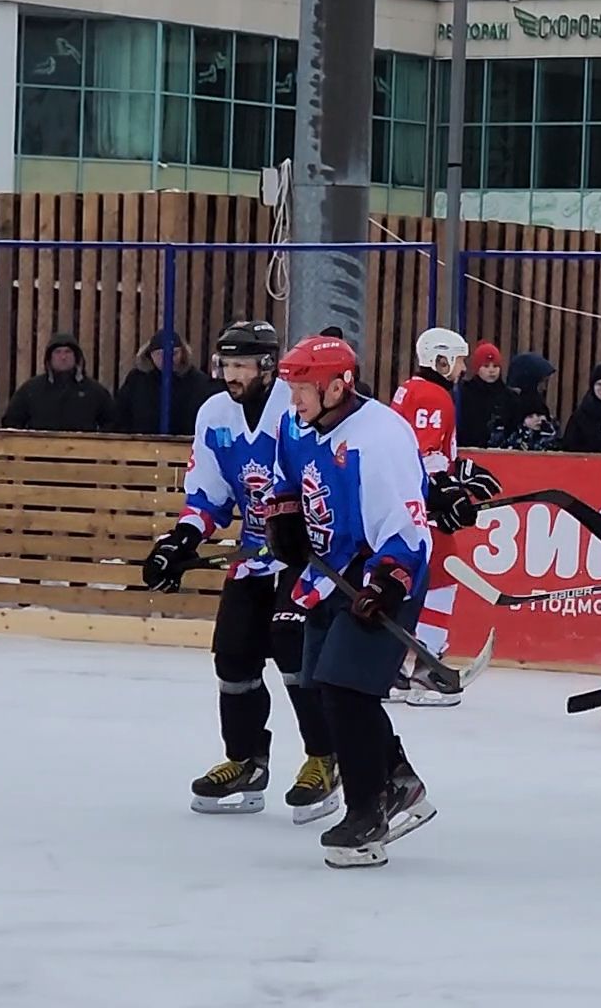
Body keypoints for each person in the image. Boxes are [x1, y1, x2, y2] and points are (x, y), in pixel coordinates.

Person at [144, 321, 341, 822]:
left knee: (292, 650)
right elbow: (209, 495)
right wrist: (181, 540)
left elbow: (316, 478)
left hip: (303, 554)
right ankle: (246, 759)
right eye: (226, 364)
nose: (232, 375)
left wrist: (300, 528)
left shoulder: (294, 409)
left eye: (242, 365)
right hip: (253, 555)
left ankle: (325, 757)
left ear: (269, 366)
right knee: (232, 658)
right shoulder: (214, 414)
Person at [264, 335, 438, 868]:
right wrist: (284, 518)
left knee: (344, 687)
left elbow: (407, 525)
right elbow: (287, 480)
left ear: (337, 386)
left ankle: (368, 814)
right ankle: (398, 779)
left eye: (302, 390)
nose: (293, 402)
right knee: (320, 685)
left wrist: (387, 581)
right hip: (331, 573)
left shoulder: (380, 437)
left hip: (381, 575)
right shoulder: (298, 424)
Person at [391, 326, 499, 708]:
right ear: (439, 359)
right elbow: (423, 454)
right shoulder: (433, 394)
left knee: (409, 583)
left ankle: (392, 670)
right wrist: (444, 491)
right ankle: (427, 667)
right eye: (457, 359)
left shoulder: (411, 388)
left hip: (404, 504)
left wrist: (459, 471)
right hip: (420, 509)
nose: (463, 367)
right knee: (442, 578)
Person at [1, 332, 114, 432]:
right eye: (58, 352)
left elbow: (112, 423)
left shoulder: (94, 391)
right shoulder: (31, 390)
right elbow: (11, 423)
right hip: (40, 453)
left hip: (82, 454)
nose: (63, 357)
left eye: (68, 352)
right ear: (49, 358)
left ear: (76, 357)